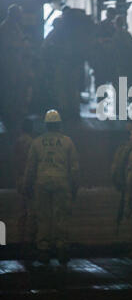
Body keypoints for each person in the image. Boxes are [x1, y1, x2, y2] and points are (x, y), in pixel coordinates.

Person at [23, 109, 80, 264]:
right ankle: (61, 247)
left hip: (42, 182)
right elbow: (74, 167)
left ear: (46, 125)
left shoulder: (37, 142)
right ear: (59, 124)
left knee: (43, 216)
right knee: (61, 216)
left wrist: (27, 184)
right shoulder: (67, 141)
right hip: (62, 182)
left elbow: (30, 167)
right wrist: (75, 185)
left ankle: (43, 248)